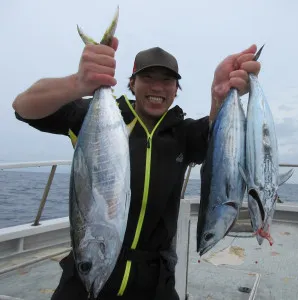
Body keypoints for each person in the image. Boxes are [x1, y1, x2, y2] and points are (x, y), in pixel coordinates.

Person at [12, 36, 261, 299]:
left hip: (155, 284)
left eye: (167, 80)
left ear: (177, 89)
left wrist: (219, 95)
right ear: (132, 83)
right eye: (147, 78)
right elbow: (23, 107)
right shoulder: (97, 117)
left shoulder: (183, 134)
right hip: (88, 274)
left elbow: (221, 141)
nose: (157, 87)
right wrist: (77, 83)